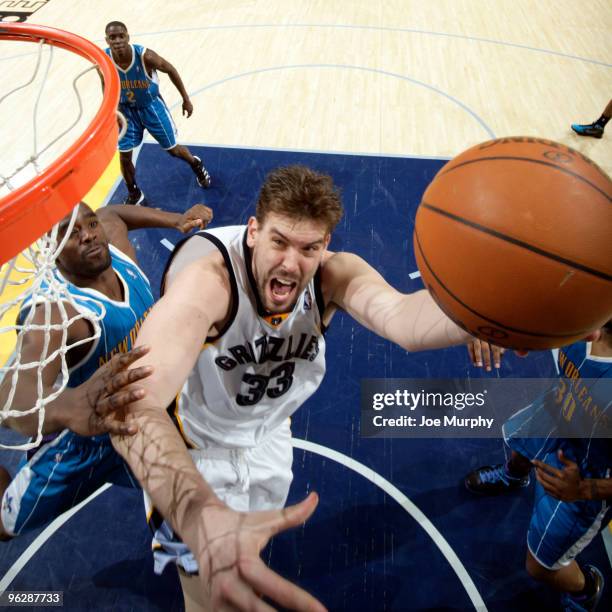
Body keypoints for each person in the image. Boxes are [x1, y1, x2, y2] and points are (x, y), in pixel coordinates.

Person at [95, 164, 486, 611]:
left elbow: (407, 322)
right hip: (193, 456)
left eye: (308, 248)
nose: (290, 262)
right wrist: (197, 510)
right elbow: (134, 410)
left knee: (246, 556)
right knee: (207, 599)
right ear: (254, 231)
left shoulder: (331, 275)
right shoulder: (209, 282)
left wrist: (480, 314)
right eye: (279, 241)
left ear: (325, 247)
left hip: (268, 439)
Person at [0, 201, 213, 538]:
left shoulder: (118, 250)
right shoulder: (56, 313)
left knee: (201, 489)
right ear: (50, 250)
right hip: (89, 438)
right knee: (4, 523)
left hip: (146, 413)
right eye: (71, 234)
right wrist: (70, 407)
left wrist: (175, 219)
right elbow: (13, 398)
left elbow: (114, 213)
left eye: (90, 225)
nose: (88, 236)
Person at [465, 325, 612, 612]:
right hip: (558, 408)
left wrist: (584, 489)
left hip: (583, 471)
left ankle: (586, 591)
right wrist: (491, 330)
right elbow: (532, 309)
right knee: (521, 450)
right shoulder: (588, 309)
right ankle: (513, 476)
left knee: (541, 568)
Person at [104, 21, 212, 205]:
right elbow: (106, 85)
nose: (117, 41)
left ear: (128, 37)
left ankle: (195, 163)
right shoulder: (104, 60)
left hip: (151, 107)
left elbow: (171, 70)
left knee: (173, 150)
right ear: (107, 40)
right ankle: (134, 192)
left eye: (121, 36)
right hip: (126, 112)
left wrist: (186, 99)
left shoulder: (145, 56)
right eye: (112, 37)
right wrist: (109, 110)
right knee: (124, 155)